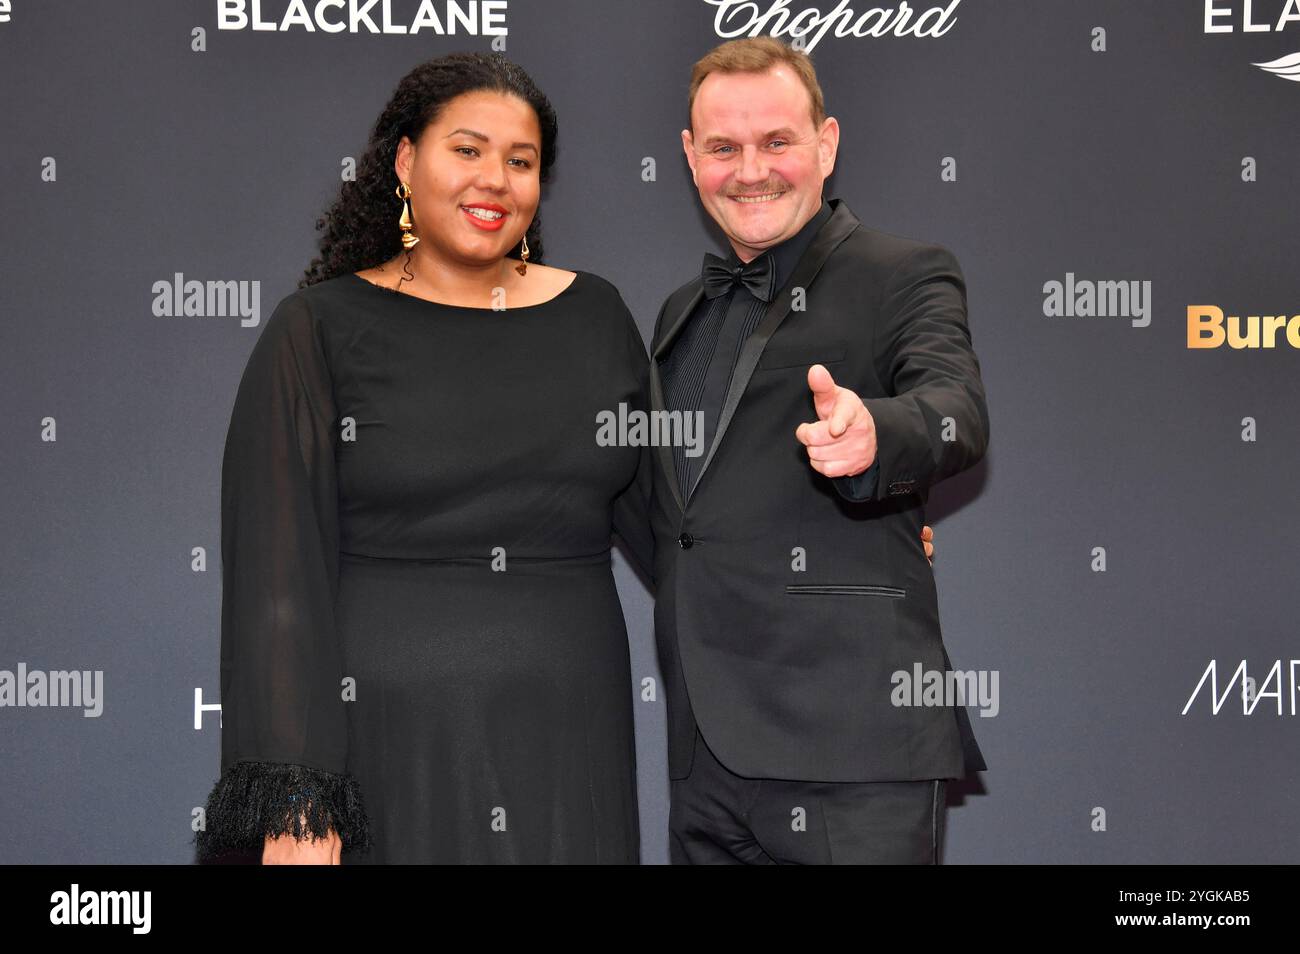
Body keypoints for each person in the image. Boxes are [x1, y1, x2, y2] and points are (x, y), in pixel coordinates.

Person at [193, 52, 656, 864]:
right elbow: (276, 583)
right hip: (385, 753)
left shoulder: (598, 317)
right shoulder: (317, 332)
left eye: (521, 161)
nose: (495, 180)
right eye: (467, 150)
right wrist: (299, 805)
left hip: (569, 748)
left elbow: (684, 524)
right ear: (406, 162)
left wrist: (859, 523)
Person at [649, 37, 990, 864]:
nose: (750, 169)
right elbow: (680, 512)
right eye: (724, 147)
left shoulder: (905, 273)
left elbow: (956, 410)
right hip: (706, 760)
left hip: (853, 749)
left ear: (826, 144)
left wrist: (877, 435)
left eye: (777, 142)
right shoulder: (677, 313)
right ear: (692, 159)